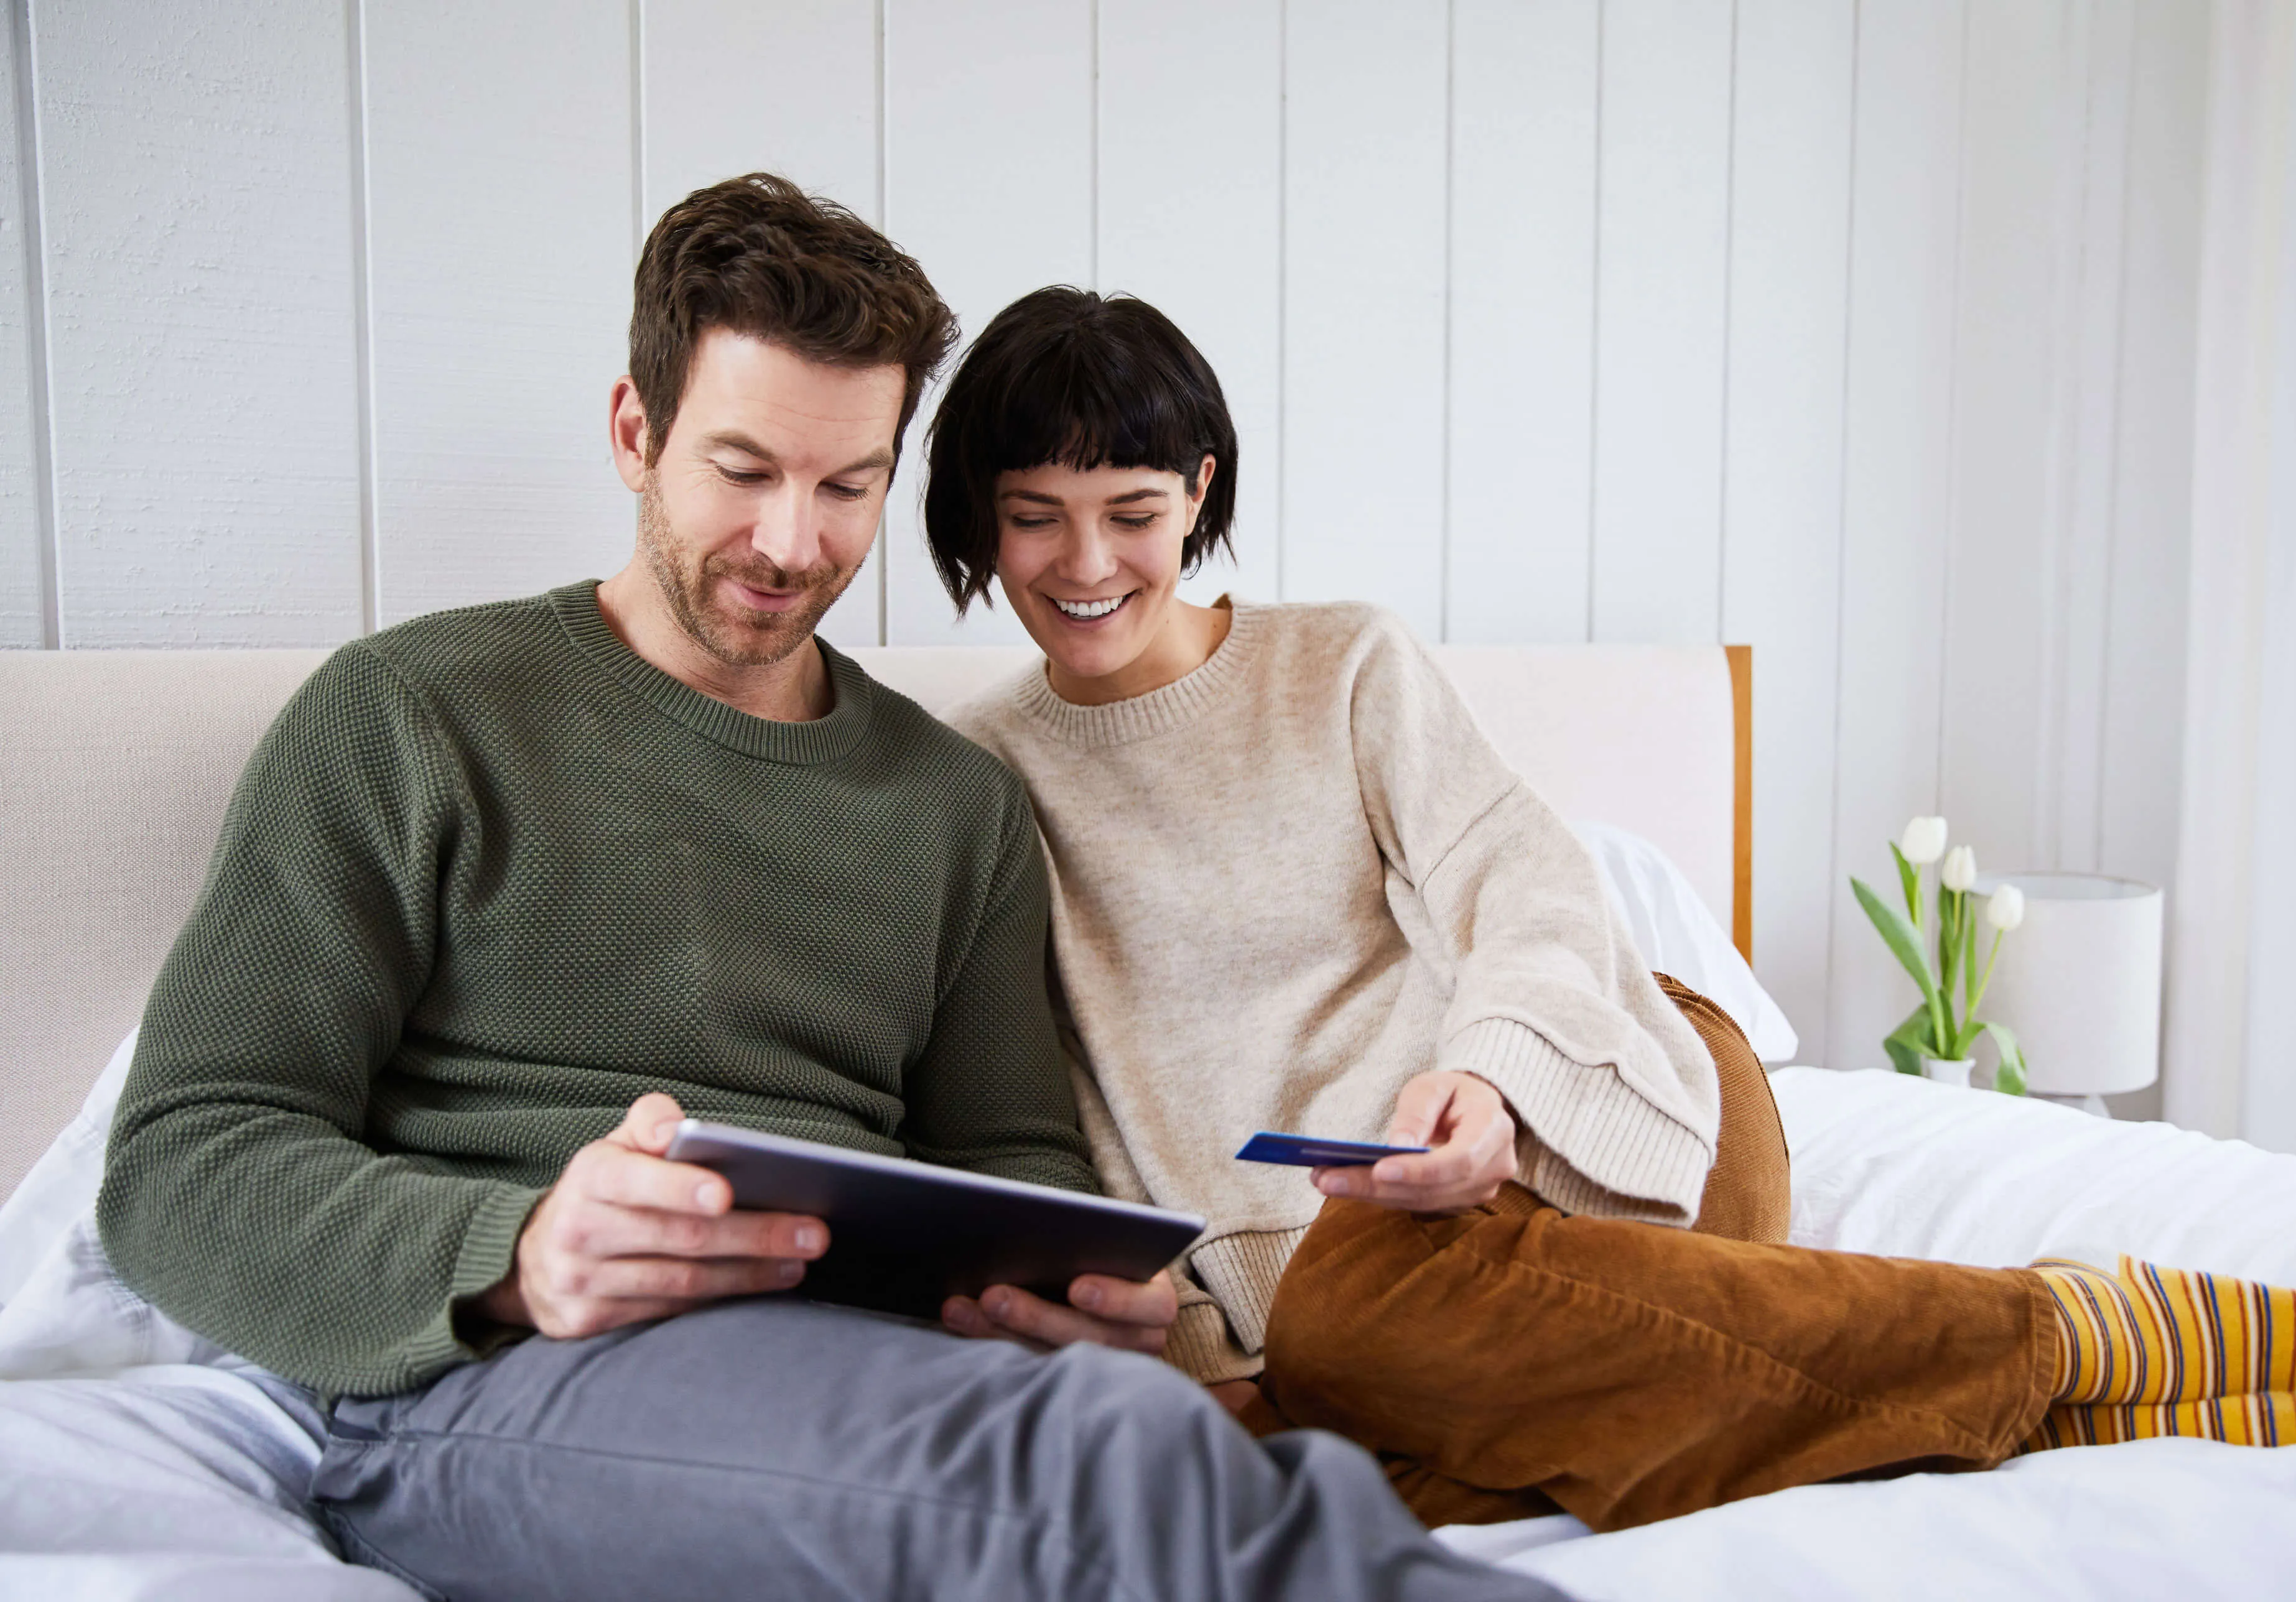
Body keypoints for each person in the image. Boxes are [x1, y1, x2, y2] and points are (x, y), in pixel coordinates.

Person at [93, 176, 1574, 1602]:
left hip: (891, 1366)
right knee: (1094, 1467)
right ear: (635, 431)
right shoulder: (412, 714)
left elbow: (1014, 1158)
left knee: (1135, 1434)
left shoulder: (951, 802)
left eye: (847, 485)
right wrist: (513, 1253)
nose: (792, 542)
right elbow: (184, 1157)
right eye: (743, 472)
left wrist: (1079, 1292)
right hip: (519, 1375)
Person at [929, 285, 2296, 1533]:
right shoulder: (980, 777)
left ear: (1198, 491)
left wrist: (1492, 1084)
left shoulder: (1343, 665)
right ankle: (2072, 1409)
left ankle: (2060, 1329)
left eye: (1131, 512)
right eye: (1035, 518)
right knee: (1294, 1452)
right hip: (1348, 1274)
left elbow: (1528, 883)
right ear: (982, 527)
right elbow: (1059, 1094)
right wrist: (1183, 1330)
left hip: (1614, 1109)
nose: (1087, 565)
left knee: (1351, 1343)